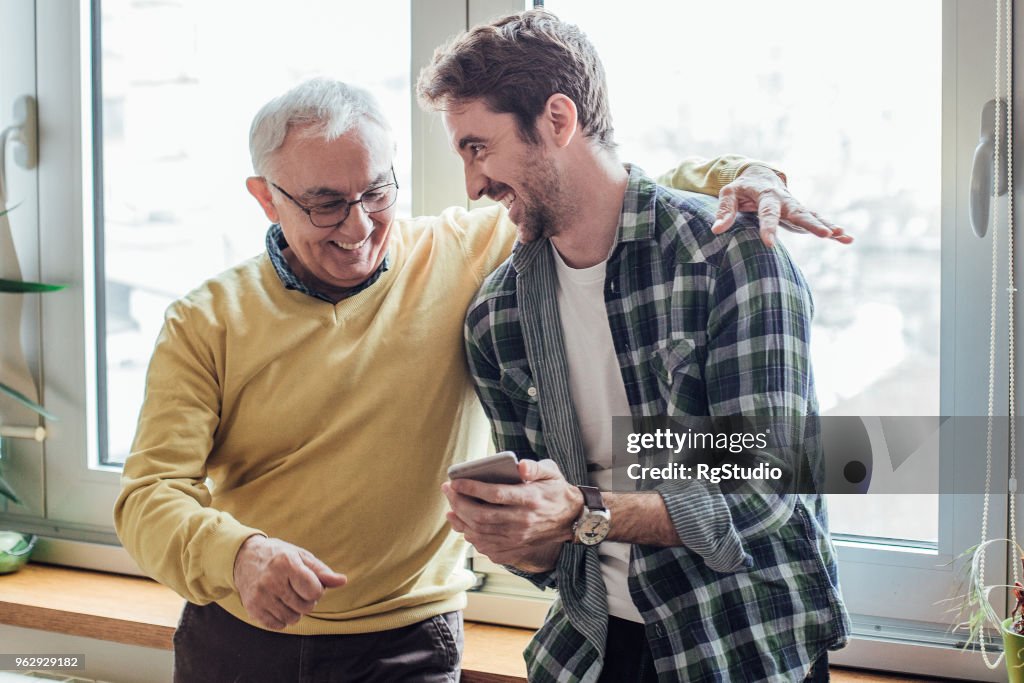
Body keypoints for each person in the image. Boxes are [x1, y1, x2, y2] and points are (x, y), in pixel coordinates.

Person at [113, 77, 843, 682]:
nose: (358, 226)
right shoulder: (205, 320)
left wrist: (741, 174)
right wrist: (234, 553)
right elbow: (147, 496)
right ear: (265, 197)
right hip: (243, 642)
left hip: (410, 644)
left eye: (376, 193)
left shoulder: (461, 252)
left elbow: (603, 183)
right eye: (325, 203)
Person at [421, 10, 850, 683]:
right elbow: (549, 555)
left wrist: (583, 512)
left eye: (479, 147)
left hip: (739, 646)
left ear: (558, 121)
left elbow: (762, 484)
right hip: (594, 651)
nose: (472, 183)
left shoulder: (728, 261)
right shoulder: (497, 319)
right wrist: (516, 529)